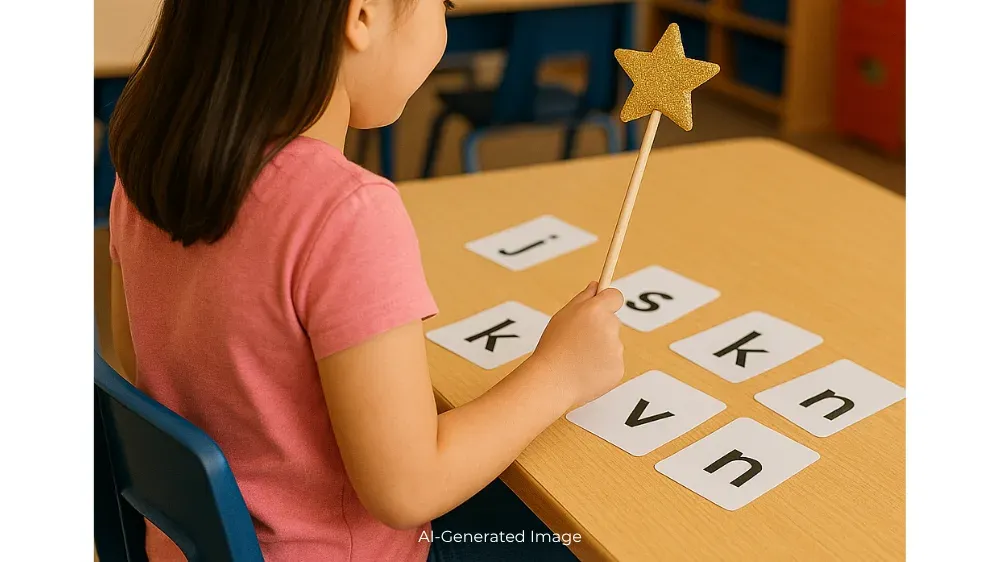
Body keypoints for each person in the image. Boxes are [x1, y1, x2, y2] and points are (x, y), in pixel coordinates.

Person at [107, 1, 624, 560]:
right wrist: (561, 373)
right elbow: (409, 490)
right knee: (572, 533)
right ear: (363, 16)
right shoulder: (346, 213)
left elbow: (141, 368)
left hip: (188, 546)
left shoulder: (144, 168)